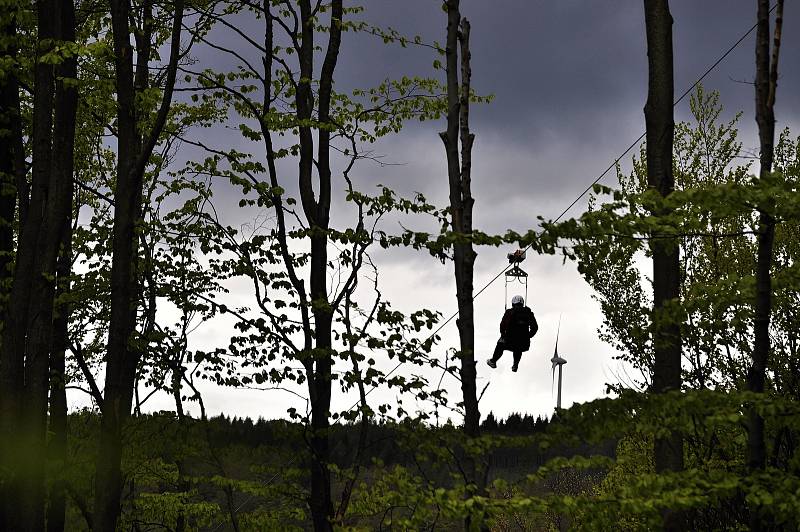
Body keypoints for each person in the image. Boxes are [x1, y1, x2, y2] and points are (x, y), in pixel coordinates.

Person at [487, 295, 538, 372]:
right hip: (524, 342)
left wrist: (503, 335)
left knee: (500, 344)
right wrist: (528, 336)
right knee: (518, 348)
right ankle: (515, 365)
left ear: (513, 303)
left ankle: (493, 361)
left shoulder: (509, 312)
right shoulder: (528, 313)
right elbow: (535, 327)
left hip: (510, 340)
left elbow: (502, 325)